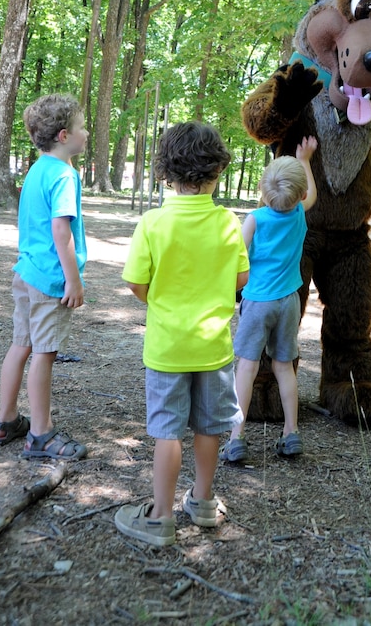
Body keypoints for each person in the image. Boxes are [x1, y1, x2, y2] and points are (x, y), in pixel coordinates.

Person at [115, 121, 250, 547]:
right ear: (217, 172)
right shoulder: (228, 222)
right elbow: (241, 278)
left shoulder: (153, 223)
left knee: (167, 432)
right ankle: (204, 502)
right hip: (214, 348)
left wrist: (163, 302)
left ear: (165, 172)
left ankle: (159, 517)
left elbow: (137, 284)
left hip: (167, 348)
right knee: (209, 428)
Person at [0, 94, 89, 461]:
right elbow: (61, 233)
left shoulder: (37, 169)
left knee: (21, 345)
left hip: (26, 273)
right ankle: (41, 434)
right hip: (49, 280)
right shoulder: (65, 175)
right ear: (64, 135)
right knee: (44, 354)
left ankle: (6, 420)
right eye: (82, 127)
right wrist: (73, 280)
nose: (87, 132)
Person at [219, 136, 318, 463]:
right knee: (283, 366)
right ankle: (291, 433)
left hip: (258, 302)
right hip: (289, 302)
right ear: (300, 195)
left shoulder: (255, 219)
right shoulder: (300, 214)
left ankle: (236, 437)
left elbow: (238, 257)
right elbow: (312, 194)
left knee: (246, 367)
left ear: (262, 189)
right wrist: (305, 159)